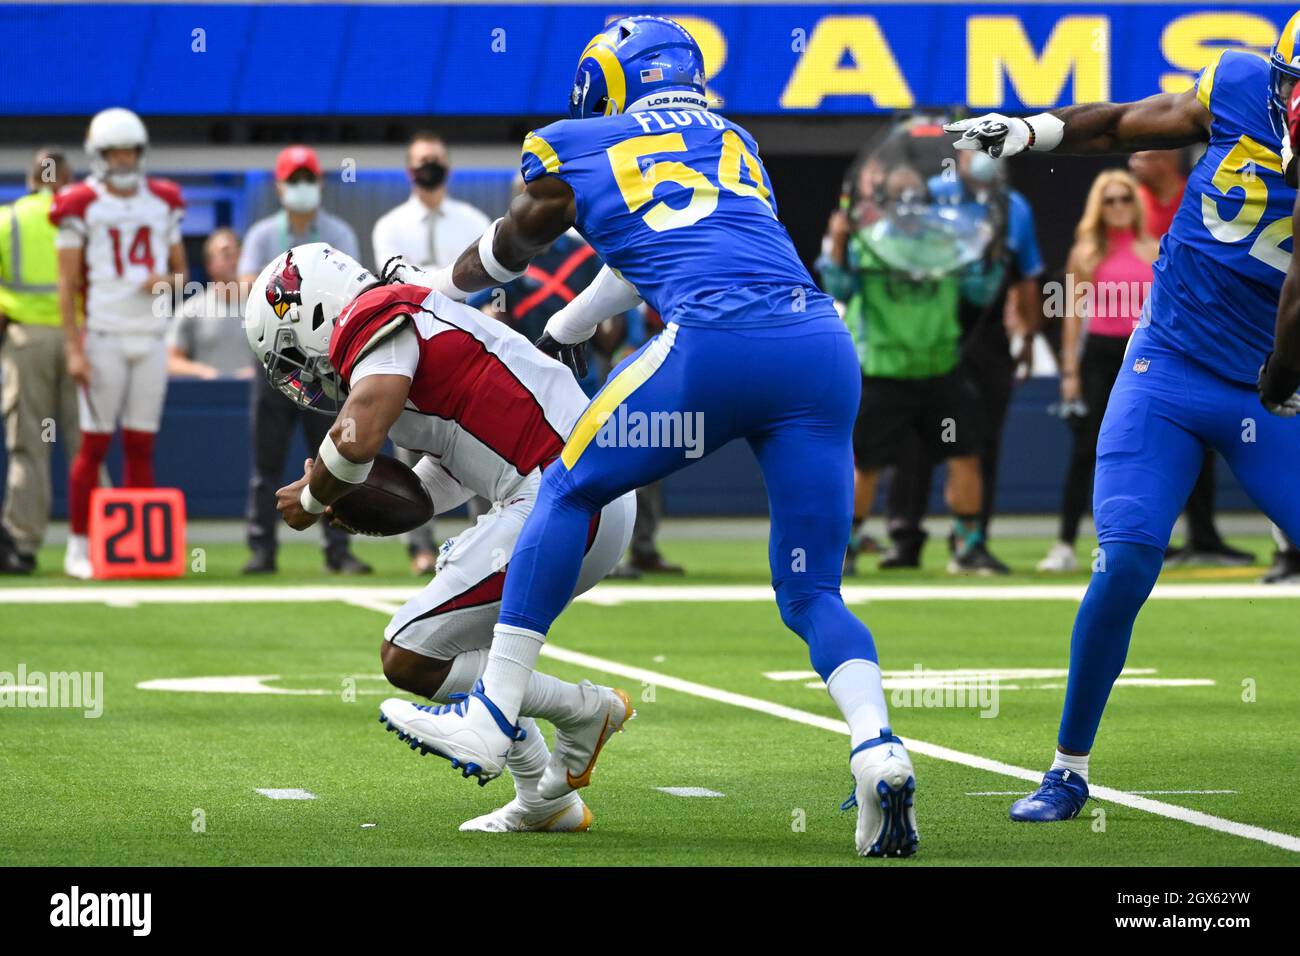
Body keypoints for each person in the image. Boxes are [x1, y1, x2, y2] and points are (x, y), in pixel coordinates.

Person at [368, 16, 919, 858]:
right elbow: (654, 246)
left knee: (566, 483)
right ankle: (878, 746)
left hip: (717, 349)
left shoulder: (577, 142)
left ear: (609, 82)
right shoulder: (732, 137)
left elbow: (515, 244)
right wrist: (573, 320)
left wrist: (440, 287)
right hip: (819, 350)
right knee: (813, 594)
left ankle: (492, 712)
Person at [947, 14, 1300, 822]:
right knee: (1128, 558)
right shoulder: (1241, 85)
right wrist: (1032, 128)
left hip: (1273, 381)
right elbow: (1118, 125)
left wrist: (1283, 383)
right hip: (1169, 367)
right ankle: (1067, 769)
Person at [247, 243, 635, 832]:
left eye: (293, 352)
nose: (303, 372)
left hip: (564, 497)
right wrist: (367, 500)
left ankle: (584, 711)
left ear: (315, 310)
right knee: (428, 649)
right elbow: (448, 473)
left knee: (409, 650)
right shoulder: (420, 330)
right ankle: (542, 797)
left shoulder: (375, 315)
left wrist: (311, 496)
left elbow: (354, 440)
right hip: (576, 495)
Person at [818, 164, 999, 576]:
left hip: (940, 366)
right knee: (865, 463)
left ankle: (968, 547)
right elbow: (838, 290)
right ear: (881, 200)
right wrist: (839, 244)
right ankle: (844, 549)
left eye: (915, 194)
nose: (908, 202)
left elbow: (980, 291)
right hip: (884, 368)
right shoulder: (867, 241)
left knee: (965, 453)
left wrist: (989, 252)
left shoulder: (951, 243)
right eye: (898, 194)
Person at [52, 109, 187, 579]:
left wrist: (163, 282)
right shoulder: (79, 202)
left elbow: (181, 275)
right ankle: (78, 544)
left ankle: (137, 549)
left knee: (141, 443)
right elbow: (66, 285)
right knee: (93, 443)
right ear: (99, 156)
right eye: (115, 152)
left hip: (149, 336)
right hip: (104, 335)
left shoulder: (163, 200)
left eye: (130, 150)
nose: (125, 159)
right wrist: (73, 347)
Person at [238, 145, 370, 575]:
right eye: (293, 179)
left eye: (307, 178)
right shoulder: (261, 235)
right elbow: (246, 288)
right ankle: (262, 549)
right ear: (278, 186)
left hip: (326, 368)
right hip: (274, 366)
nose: (301, 187)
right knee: (265, 463)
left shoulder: (339, 234)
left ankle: (339, 548)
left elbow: (356, 291)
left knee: (336, 455)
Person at [372, 132, 493, 573]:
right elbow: (398, 285)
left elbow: (491, 283)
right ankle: (419, 546)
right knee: (409, 443)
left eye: (436, 160)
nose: (430, 167)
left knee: (480, 441)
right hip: (414, 346)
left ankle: (486, 537)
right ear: (409, 170)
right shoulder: (390, 225)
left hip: (470, 348)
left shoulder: (472, 219)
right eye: (422, 160)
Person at [1130, 148, 1253, 567]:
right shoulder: (1135, 202)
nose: (1131, 161)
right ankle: (1145, 538)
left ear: (1166, 159)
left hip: (1204, 334)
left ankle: (1204, 536)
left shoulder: (1199, 196)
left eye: (1142, 153)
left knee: (1205, 438)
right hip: (1148, 334)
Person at [1038, 171, 1158, 571]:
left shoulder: (1154, 249)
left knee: (1147, 448)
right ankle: (1065, 544)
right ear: (1098, 207)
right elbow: (1072, 314)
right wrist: (1069, 370)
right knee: (1086, 449)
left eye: (1125, 198)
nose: (1119, 206)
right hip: (1099, 356)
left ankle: (1143, 542)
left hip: (1141, 357)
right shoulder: (1086, 252)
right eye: (1110, 200)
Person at [0, 148, 76, 574]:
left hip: (28, 341)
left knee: (30, 445)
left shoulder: (7, 219)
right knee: (88, 446)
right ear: (66, 180)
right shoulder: (80, 217)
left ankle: (22, 544)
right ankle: (98, 542)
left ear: (31, 179)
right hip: (81, 340)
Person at [167, 228, 252, 379]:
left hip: (253, 398)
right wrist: (201, 371)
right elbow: (170, 360)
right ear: (209, 264)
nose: (234, 259)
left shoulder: (262, 308)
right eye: (226, 254)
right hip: (207, 399)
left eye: (237, 253)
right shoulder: (191, 309)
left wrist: (259, 372)